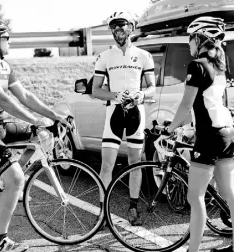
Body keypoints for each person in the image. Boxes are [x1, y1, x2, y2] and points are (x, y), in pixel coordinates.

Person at [0, 18, 69, 252]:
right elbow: (2, 98)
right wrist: (32, 118)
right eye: (6, 38)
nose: (10, 42)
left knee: (41, 136)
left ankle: (2, 180)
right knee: (17, 179)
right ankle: (0, 241)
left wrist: (53, 116)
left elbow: (25, 96)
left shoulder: (5, 66)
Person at [162, 17, 234, 252]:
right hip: (225, 132)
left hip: (209, 137)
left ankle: (193, 250)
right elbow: (205, 104)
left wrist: (169, 130)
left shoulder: (197, 65)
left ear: (199, 39)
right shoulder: (219, 65)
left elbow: (186, 105)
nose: (188, 44)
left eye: (190, 38)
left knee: (194, 196)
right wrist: (184, 125)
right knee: (230, 193)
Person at [92, 11, 156, 226]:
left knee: (135, 163)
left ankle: (133, 207)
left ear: (132, 27)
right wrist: (115, 96)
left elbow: (153, 89)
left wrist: (142, 95)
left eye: (121, 25)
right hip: (114, 113)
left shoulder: (144, 56)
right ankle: (102, 211)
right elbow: (95, 90)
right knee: (107, 165)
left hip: (136, 113)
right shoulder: (104, 57)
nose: (117, 30)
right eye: (113, 26)